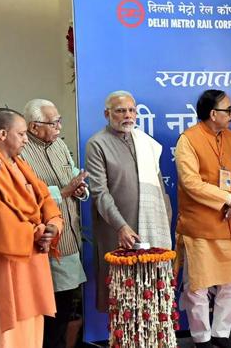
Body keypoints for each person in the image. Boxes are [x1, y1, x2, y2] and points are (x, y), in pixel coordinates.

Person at [0, 108, 63, 348]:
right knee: (11, 326)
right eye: (21, 134)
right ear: (3, 134)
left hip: (32, 254)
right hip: (9, 258)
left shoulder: (19, 163)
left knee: (32, 322)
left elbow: (45, 198)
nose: (25, 139)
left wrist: (53, 225)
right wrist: (39, 233)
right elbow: (0, 224)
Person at [175, 89, 231, 348]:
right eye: (228, 110)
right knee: (198, 285)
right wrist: (229, 199)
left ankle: (221, 333)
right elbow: (190, 183)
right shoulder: (188, 139)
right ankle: (201, 338)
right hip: (201, 225)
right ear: (212, 114)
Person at [85, 90, 172, 312]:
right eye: (121, 111)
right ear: (107, 114)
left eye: (132, 110)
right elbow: (99, 192)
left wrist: (166, 219)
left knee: (152, 293)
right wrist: (121, 227)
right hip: (117, 231)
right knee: (122, 297)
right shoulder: (97, 144)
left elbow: (159, 187)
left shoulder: (145, 143)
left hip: (150, 233)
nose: (128, 116)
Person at [20, 99, 89, 348]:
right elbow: (27, 195)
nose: (59, 127)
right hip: (45, 241)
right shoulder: (22, 150)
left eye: (60, 120)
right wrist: (64, 191)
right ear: (34, 127)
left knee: (66, 304)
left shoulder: (59, 144)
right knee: (51, 310)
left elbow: (71, 174)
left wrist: (79, 188)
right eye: (53, 122)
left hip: (69, 235)